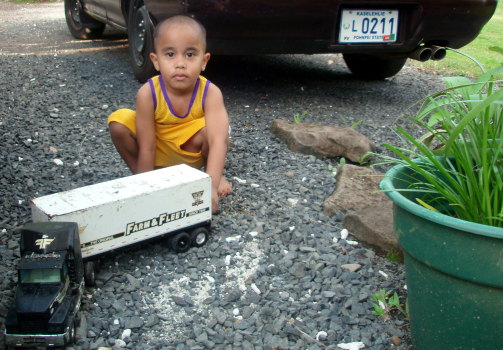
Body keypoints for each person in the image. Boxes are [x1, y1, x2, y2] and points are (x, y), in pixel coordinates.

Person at [107, 15, 231, 213]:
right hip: (158, 150)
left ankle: (211, 175)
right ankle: (143, 180)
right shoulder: (148, 93)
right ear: (156, 61)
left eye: (190, 55)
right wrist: (146, 191)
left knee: (216, 131)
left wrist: (210, 188)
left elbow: (218, 142)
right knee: (119, 121)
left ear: (204, 61)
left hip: (191, 151)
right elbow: (147, 147)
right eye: (170, 54)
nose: (180, 63)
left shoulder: (210, 92)